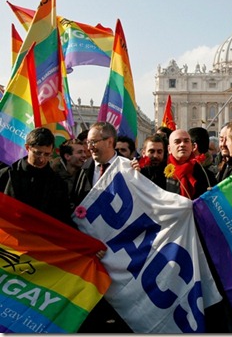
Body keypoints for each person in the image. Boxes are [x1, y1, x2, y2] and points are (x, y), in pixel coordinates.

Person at [71, 122, 133, 333]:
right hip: (91, 253)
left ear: (110, 141)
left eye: (94, 142)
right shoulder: (86, 168)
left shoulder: (128, 169)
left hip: (120, 251)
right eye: (88, 143)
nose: (90, 147)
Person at [0, 127, 74, 228]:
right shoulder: (5, 176)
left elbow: (62, 219)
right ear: (27, 148)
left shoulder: (58, 184)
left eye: (47, 154)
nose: (42, 159)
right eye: (37, 153)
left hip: (40, 240)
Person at [165, 129, 213, 200]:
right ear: (169, 149)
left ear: (192, 147)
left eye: (186, 141)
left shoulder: (206, 175)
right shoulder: (160, 173)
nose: (182, 144)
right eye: (177, 142)